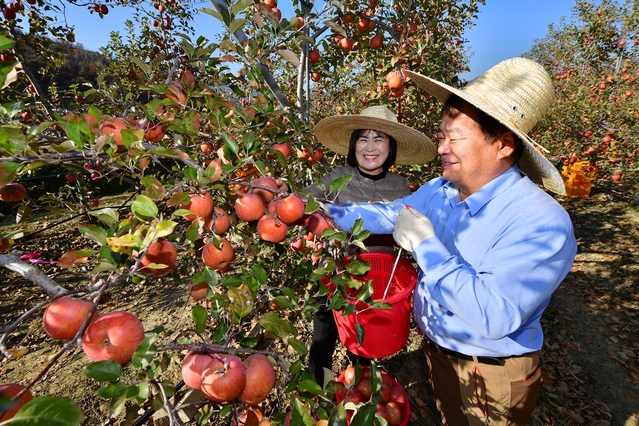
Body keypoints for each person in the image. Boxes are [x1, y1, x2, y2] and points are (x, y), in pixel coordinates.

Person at [326, 58, 577, 425]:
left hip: (490, 375)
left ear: (503, 144)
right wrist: (320, 212)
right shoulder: (442, 190)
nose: (441, 148)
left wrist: (426, 245)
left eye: (453, 137)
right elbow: (390, 213)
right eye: (441, 136)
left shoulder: (541, 223)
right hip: (439, 355)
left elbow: (495, 316)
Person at [302, 105, 436, 384]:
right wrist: (292, 201)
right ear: (354, 145)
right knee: (324, 333)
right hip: (335, 273)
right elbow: (306, 197)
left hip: (378, 276)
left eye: (380, 138)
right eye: (364, 138)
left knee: (365, 335)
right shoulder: (338, 176)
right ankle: (317, 389)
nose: (370, 146)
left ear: (391, 146)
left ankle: (364, 381)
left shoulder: (400, 185)